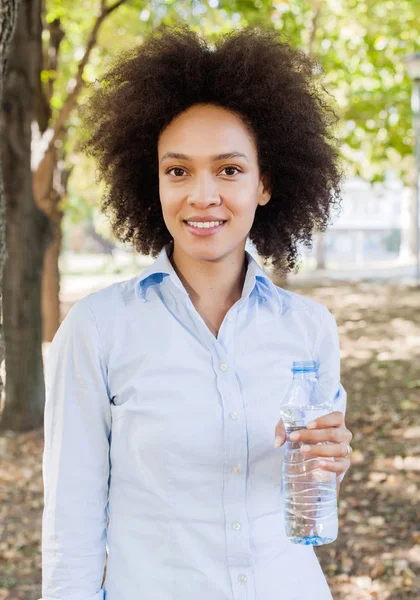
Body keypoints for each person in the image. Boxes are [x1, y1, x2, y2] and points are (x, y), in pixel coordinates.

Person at [40, 24, 353, 600]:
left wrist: (330, 462)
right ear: (152, 181)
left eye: (229, 170)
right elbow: (71, 524)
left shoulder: (310, 329)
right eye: (177, 170)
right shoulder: (98, 330)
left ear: (265, 183)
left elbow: (308, 506)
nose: (202, 195)